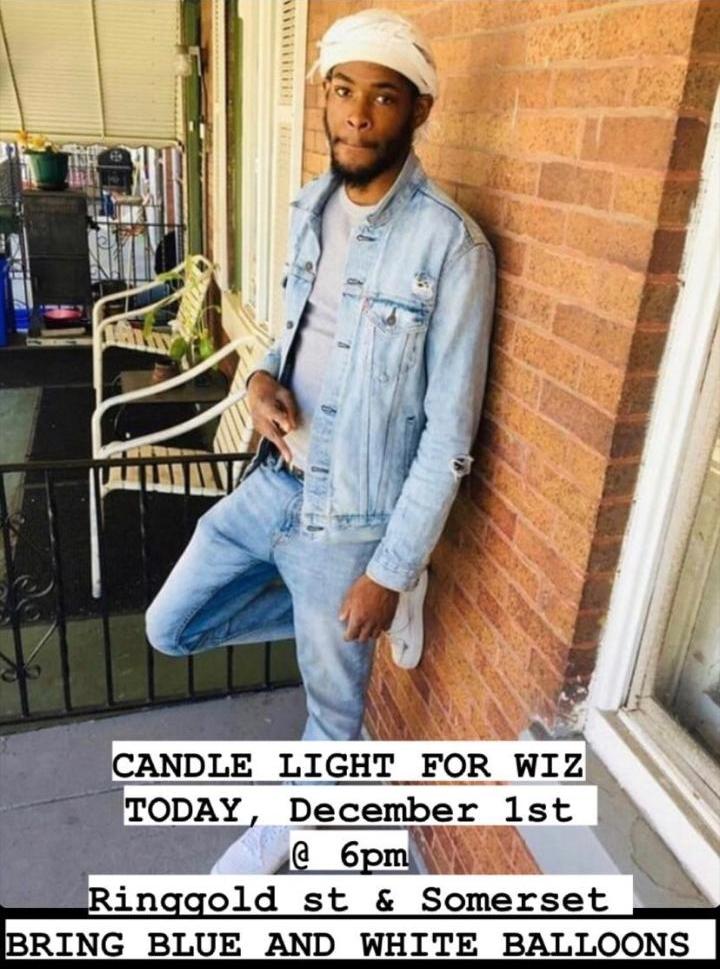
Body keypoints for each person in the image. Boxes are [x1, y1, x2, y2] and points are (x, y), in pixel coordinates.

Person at [145, 8, 496, 875]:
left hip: (350, 522)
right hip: (272, 482)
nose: (357, 114)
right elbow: (298, 334)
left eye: (384, 97)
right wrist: (258, 378)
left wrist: (388, 570)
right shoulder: (312, 205)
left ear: (419, 111)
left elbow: (450, 436)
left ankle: (282, 829)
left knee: (333, 726)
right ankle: (328, 618)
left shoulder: (451, 248)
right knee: (171, 625)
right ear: (325, 99)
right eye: (343, 91)